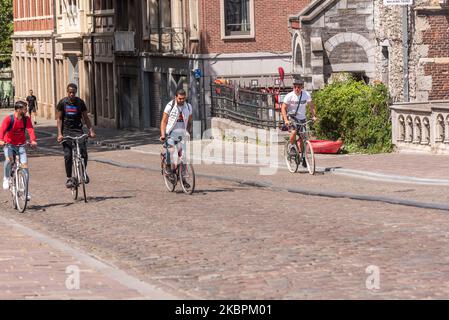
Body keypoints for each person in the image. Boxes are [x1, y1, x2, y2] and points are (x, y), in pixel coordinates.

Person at [56, 83, 96, 188]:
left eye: (73, 92)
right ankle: (69, 177)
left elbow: (86, 117)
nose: (71, 94)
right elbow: (59, 119)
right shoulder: (62, 103)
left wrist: (90, 130)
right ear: (67, 92)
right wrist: (60, 134)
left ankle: (83, 172)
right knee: (68, 155)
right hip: (66, 131)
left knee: (84, 153)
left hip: (78, 130)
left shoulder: (80, 102)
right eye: (70, 92)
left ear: (76, 92)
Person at [0, 100, 38, 193]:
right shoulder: (9, 119)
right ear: (18, 109)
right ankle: (6, 177)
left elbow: (30, 130)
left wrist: (33, 140)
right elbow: (2, 130)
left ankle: (26, 191)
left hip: (21, 145)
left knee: (25, 168)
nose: (26, 110)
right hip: (9, 144)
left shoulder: (26, 119)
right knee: (9, 160)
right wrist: (1, 140)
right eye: (24, 109)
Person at [281, 78, 317, 167]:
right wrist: (286, 120)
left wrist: (314, 116)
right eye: (295, 87)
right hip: (292, 118)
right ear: (293, 87)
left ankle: (304, 156)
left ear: (301, 87)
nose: (297, 88)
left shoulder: (306, 95)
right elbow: (283, 108)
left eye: (299, 87)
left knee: (303, 137)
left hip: (302, 119)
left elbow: (311, 106)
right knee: (293, 131)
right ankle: (292, 146)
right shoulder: (289, 96)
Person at [160, 89, 193, 184]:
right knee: (170, 150)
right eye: (180, 99)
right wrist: (162, 134)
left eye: (183, 98)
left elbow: (190, 121)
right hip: (170, 133)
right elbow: (164, 121)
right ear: (175, 97)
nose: (181, 100)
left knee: (184, 156)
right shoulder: (170, 106)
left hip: (182, 134)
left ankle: (183, 179)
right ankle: (168, 168)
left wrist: (189, 132)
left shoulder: (188, 107)